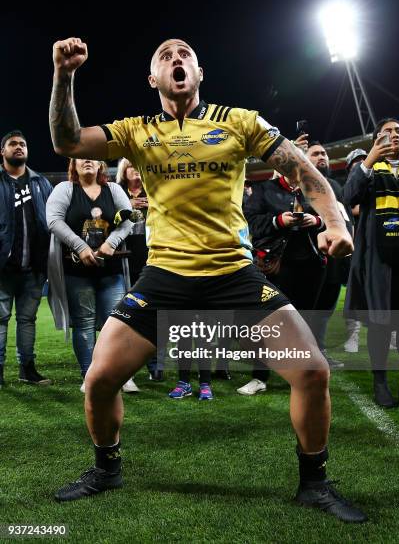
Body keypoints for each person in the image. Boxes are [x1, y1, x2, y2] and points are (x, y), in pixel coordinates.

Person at [49, 37, 365, 523]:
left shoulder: (239, 121)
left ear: (199, 72)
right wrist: (64, 75)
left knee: (312, 372)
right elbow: (67, 142)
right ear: (153, 79)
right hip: (164, 277)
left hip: (233, 273)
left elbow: (303, 170)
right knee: (98, 381)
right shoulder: (137, 131)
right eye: (164, 56)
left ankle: (315, 484)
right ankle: (107, 469)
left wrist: (336, 222)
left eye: (185, 55)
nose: (176, 59)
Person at [46, 158, 138, 393]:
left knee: (115, 324)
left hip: (111, 270)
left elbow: (129, 221)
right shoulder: (65, 189)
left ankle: (119, 375)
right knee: (84, 325)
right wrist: (80, 247)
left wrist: (111, 243)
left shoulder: (114, 189)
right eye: (81, 158)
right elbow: (53, 221)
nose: (87, 160)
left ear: (100, 166)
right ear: (73, 166)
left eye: (93, 158)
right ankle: (89, 376)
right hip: (76, 271)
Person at [239, 167, 327, 395]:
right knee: (267, 322)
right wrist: (278, 221)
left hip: (312, 265)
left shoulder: (316, 187)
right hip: (274, 264)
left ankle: (300, 373)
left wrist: (316, 221)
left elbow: (336, 217)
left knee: (306, 321)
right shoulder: (263, 189)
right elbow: (249, 221)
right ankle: (259, 377)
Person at [344, 118, 399, 408]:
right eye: (387, 132)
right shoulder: (368, 170)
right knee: (380, 323)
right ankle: (380, 382)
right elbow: (349, 197)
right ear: (376, 141)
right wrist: (368, 160)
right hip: (377, 257)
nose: (395, 135)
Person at [0, 130, 52, 388]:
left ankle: (27, 368)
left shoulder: (41, 183)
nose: (18, 147)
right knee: (0, 320)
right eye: (12, 144)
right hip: (3, 269)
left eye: (22, 143)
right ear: (3, 151)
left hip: (34, 268)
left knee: (27, 320)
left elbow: (51, 222)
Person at [306, 141, 353, 370]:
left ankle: (319, 353)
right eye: (315, 154)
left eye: (324, 153)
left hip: (336, 260)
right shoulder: (303, 185)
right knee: (306, 311)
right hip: (310, 259)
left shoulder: (335, 185)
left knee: (324, 311)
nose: (322, 157)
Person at [116, 158, 164, 382]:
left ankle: (155, 364)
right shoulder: (117, 194)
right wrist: (128, 206)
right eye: (130, 167)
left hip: (152, 259)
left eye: (138, 166)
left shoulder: (154, 190)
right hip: (125, 261)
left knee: (154, 312)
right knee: (128, 314)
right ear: (123, 172)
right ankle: (127, 366)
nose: (134, 171)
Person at [343, 149, 367, 353]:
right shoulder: (351, 181)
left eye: (363, 159)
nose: (361, 163)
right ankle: (353, 335)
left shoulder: (378, 175)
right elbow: (348, 206)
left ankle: (394, 334)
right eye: (356, 161)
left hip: (379, 241)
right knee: (355, 290)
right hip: (357, 242)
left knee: (389, 289)